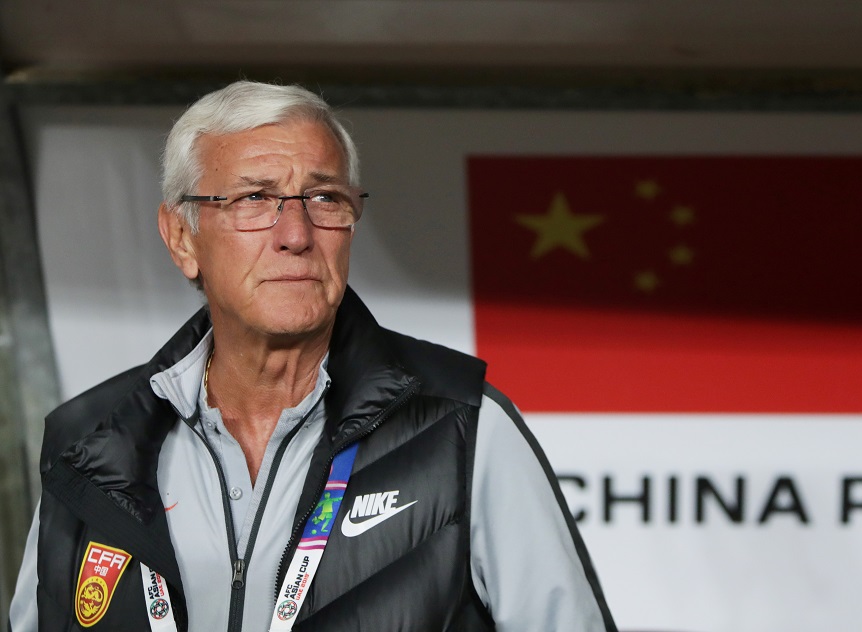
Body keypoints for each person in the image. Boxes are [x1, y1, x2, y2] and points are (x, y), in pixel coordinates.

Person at [8, 81, 616, 631]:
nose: (296, 234)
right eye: (255, 198)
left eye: (323, 198)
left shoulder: (463, 424)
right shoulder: (87, 444)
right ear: (182, 237)